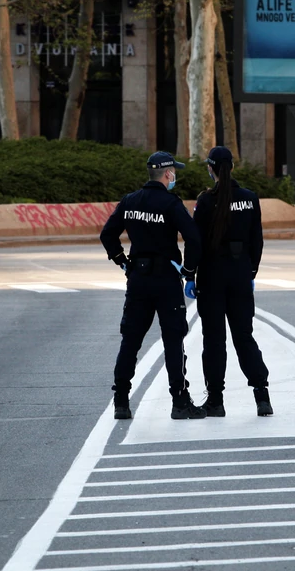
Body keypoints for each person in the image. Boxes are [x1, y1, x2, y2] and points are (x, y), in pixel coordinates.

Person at [100, 151, 206, 421]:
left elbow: (107, 234)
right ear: (167, 174)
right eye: (174, 173)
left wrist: (121, 261)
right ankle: (179, 402)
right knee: (173, 341)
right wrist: (189, 270)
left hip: (138, 279)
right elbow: (194, 238)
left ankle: (121, 400)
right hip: (166, 281)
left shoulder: (130, 201)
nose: (175, 177)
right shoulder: (170, 204)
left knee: (131, 340)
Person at [192, 146, 273, 417]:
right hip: (240, 277)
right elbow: (257, 241)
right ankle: (262, 396)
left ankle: (216, 400)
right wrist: (251, 272)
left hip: (211, 278)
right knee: (244, 337)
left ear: (211, 169)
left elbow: (195, 243)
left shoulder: (205, 201)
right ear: (233, 168)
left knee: (214, 341)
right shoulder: (250, 199)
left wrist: (189, 274)